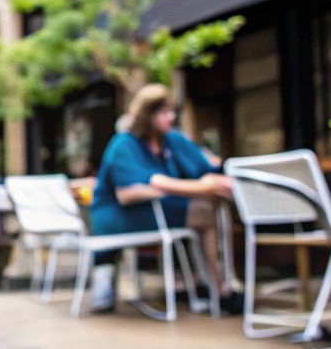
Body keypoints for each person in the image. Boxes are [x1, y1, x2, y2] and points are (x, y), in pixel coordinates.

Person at [87, 85, 242, 313]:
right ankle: (218, 287)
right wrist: (198, 187)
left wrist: (215, 180)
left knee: (211, 202)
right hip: (121, 217)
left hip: (161, 209)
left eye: (172, 111)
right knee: (203, 208)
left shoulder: (172, 140)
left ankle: (215, 282)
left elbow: (205, 167)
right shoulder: (123, 144)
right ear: (147, 115)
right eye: (164, 112)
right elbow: (133, 191)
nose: (171, 117)